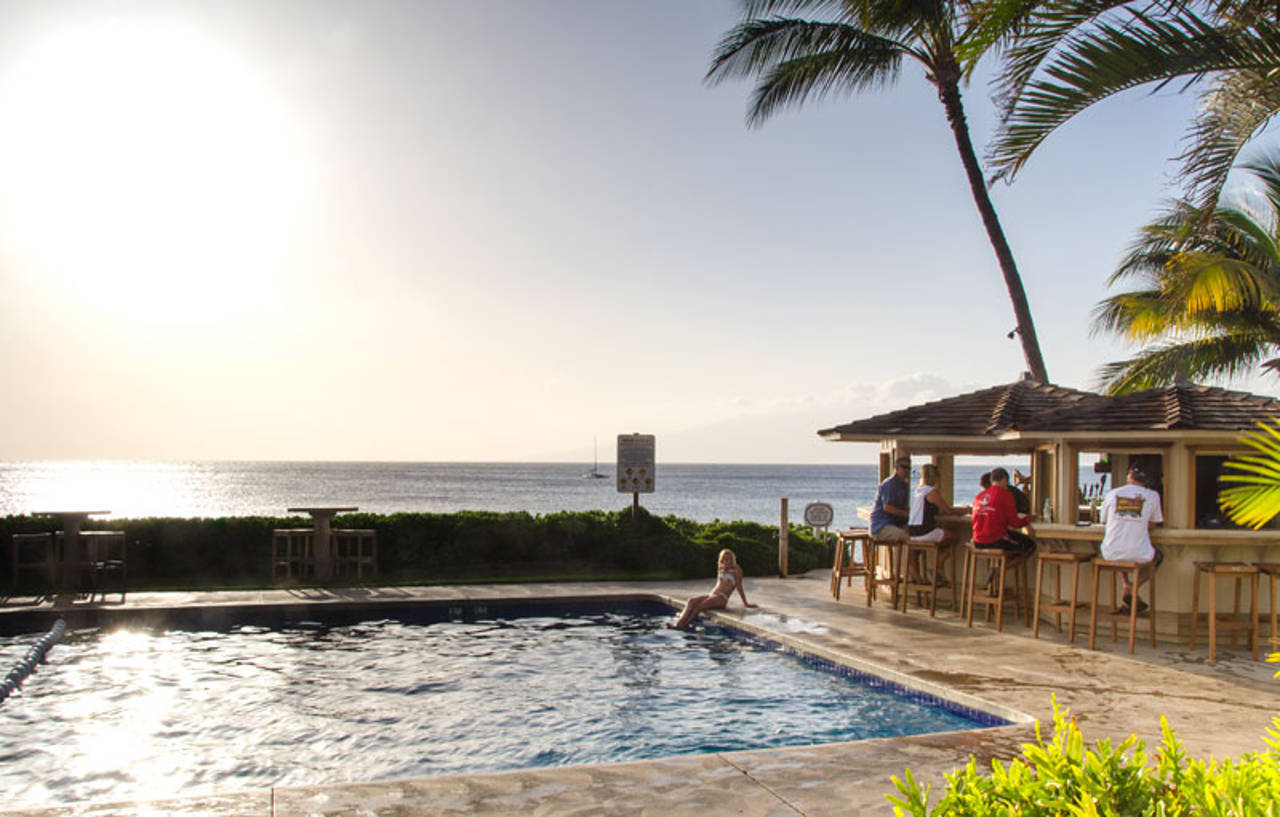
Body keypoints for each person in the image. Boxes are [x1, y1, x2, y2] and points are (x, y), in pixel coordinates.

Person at [1099, 465, 1164, 614]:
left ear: (1129, 477)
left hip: (1110, 553)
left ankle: (1126, 584)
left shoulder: (1112, 493)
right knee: (1157, 557)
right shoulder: (1153, 495)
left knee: (1117, 551)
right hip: (1138, 553)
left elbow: (1104, 521)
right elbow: (1154, 523)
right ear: (1146, 481)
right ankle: (1132, 588)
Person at [907, 464, 968, 583]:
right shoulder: (931, 492)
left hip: (912, 533)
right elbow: (948, 510)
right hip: (924, 532)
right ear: (935, 478)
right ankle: (937, 566)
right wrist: (966, 510)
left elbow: (931, 509)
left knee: (919, 547)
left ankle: (914, 574)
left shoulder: (918, 491)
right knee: (954, 537)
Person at [671, 548, 757, 629]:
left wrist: (746, 603)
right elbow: (718, 584)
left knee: (699, 606)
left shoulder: (736, 570)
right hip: (713, 594)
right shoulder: (721, 568)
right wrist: (711, 595)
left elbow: (739, 587)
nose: (728, 561)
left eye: (730, 558)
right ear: (722, 560)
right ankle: (679, 620)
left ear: (733, 559)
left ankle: (683, 625)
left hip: (722, 597)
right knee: (691, 601)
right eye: (725, 559)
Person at [972, 467, 1035, 559]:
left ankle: (999, 568)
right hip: (995, 541)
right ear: (1004, 479)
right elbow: (1015, 523)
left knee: (1010, 540)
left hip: (977, 542)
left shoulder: (979, 496)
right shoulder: (1006, 495)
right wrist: (1028, 519)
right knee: (1030, 545)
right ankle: (1000, 570)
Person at [870, 457, 912, 543]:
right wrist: (905, 514)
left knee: (918, 535)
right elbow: (887, 507)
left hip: (893, 524)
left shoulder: (903, 486)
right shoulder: (889, 484)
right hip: (880, 527)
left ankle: (912, 556)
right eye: (904, 467)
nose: (906, 470)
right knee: (909, 538)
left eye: (909, 468)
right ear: (896, 468)